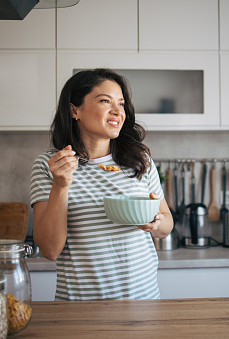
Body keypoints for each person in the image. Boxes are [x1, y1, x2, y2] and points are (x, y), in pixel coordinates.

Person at [30, 68, 173, 300]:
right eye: (105, 101)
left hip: (143, 301)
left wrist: (155, 223)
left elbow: (167, 224)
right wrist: (60, 186)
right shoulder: (51, 165)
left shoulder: (139, 160)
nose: (118, 111)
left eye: (121, 103)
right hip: (80, 308)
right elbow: (50, 250)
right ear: (74, 109)